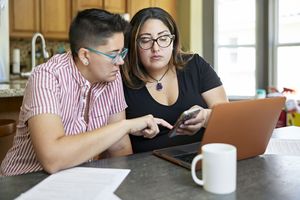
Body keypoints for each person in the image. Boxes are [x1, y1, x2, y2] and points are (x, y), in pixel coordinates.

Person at [0, 8, 171, 176]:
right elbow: (52, 159)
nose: (120, 62)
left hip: (76, 180)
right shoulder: (46, 77)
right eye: (113, 54)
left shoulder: (111, 75)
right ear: (84, 56)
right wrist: (126, 126)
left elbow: (118, 147)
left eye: (122, 53)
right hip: (24, 181)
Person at [121, 7, 228, 153]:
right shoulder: (120, 79)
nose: (156, 48)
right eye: (145, 40)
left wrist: (205, 116)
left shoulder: (195, 65)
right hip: (147, 167)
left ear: (173, 41)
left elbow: (226, 119)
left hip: (200, 159)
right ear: (133, 44)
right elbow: (118, 144)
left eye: (163, 38)